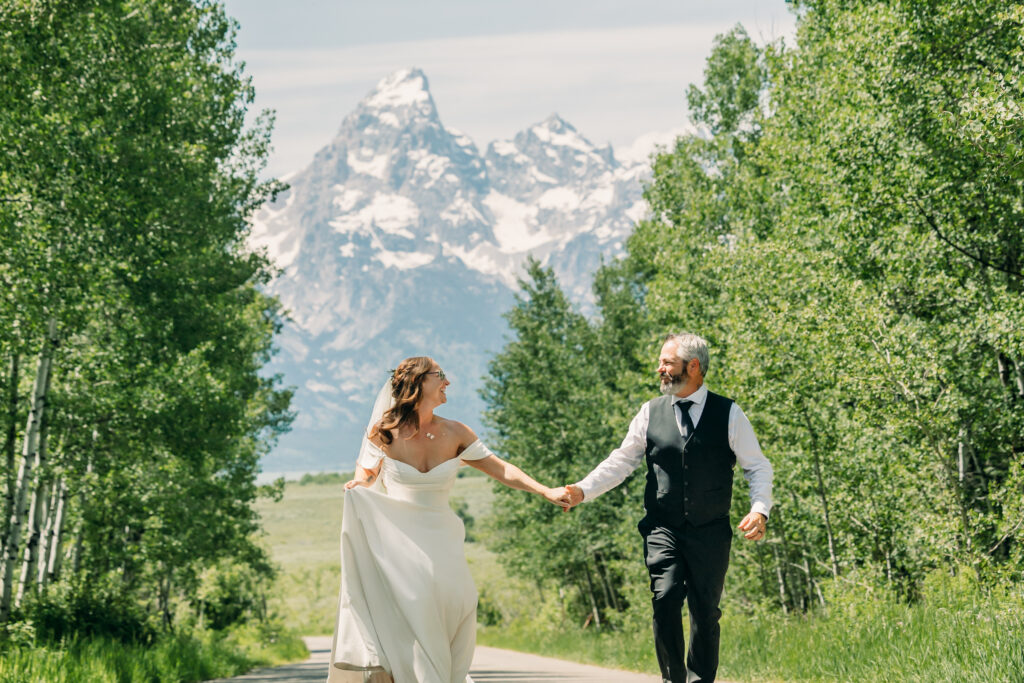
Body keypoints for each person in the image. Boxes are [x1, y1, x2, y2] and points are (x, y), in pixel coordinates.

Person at [328, 356, 566, 683]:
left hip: (444, 545)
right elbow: (366, 474)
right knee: (420, 623)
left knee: (462, 605)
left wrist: (545, 491)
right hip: (401, 550)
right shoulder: (386, 431)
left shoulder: (456, 432)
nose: (448, 382)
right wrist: (359, 485)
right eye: (440, 375)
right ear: (418, 383)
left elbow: (502, 469)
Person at [556, 333, 773, 683]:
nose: (660, 369)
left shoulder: (729, 413)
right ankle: (674, 679)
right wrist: (583, 489)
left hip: (711, 531)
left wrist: (759, 508)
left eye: (667, 362)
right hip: (663, 528)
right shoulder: (650, 412)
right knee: (666, 597)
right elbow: (622, 461)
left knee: (706, 612)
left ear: (693, 366)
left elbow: (757, 466)